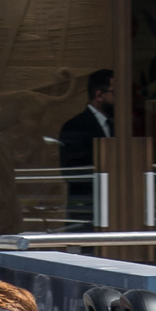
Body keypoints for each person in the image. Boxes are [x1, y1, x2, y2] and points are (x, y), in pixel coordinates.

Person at [57, 69, 114, 227]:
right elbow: (71, 172)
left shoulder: (117, 127)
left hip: (114, 210)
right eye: (115, 93)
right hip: (87, 212)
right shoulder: (75, 126)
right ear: (99, 95)